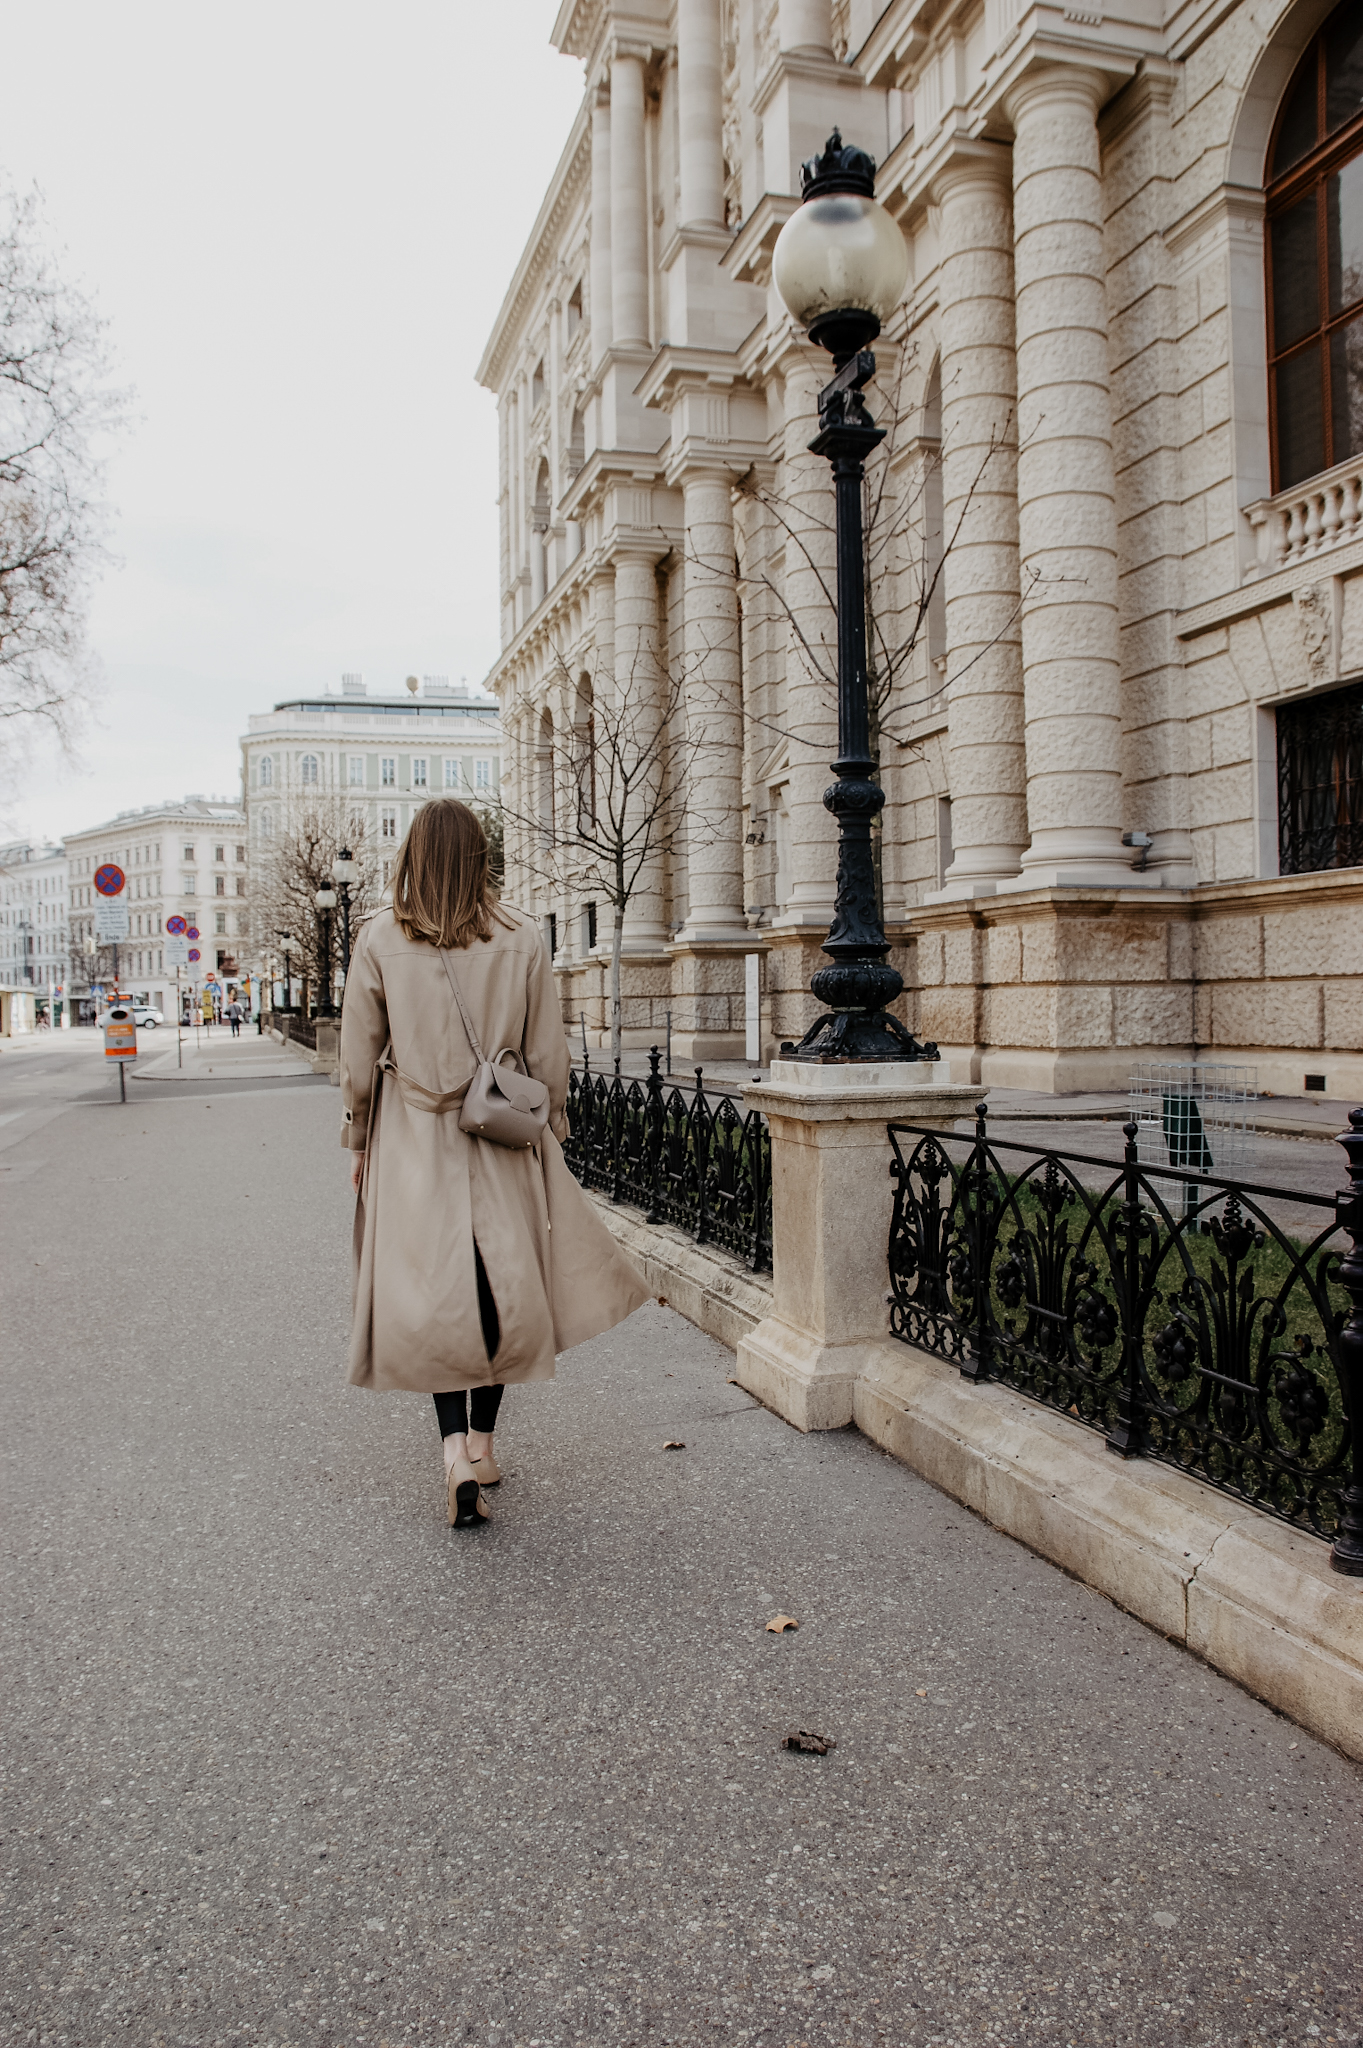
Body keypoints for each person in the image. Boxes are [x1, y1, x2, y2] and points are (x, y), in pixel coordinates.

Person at [339, 798, 650, 1529]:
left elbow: (358, 1058)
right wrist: (556, 1129)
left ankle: (450, 1451)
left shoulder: (380, 937)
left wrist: (357, 1139)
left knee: (433, 1293)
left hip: (413, 1134)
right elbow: (546, 1052)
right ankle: (481, 1446)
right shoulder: (521, 938)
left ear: (411, 854)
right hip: (502, 1131)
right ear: (482, 857)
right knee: (501, 1286)